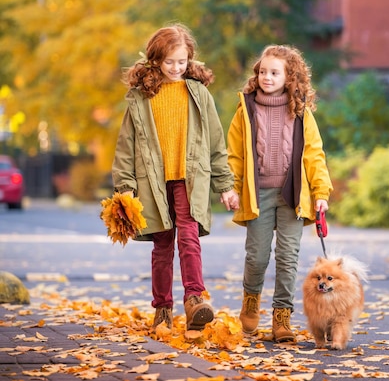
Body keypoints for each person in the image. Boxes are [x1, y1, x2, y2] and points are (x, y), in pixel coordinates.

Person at [112, 23, 239, 332]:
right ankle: (163, 309)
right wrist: (125, 188)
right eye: (169, 61)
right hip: (152, 182)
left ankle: (195, 299)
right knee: (162, 244)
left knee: (189, 236)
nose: (175, 67)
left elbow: (215, 143)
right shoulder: (141, 98)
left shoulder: (199, 95)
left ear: (190, 59)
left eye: (181, 61)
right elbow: (126, 145)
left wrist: (225, 186)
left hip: (189, 179)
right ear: (156, 58)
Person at [227, 44, 333, 342]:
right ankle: (250, 301)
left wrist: (321, 192)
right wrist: (233, 189)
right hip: (258, 195)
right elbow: (234, 155)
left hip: (293, 196)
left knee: (288, 258)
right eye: (263, 72)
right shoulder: (245, 110)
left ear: (289, 77)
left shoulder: (301, 113)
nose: (267, 77)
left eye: (275, 72)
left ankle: (282, 318)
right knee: (257, 257)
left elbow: (314, 155)